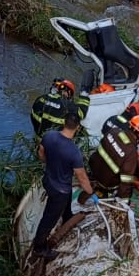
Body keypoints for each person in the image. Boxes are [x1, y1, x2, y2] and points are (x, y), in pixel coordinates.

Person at [32, 109, 96, 260]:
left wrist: (48, 162)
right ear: (78, 127)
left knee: (65, 198)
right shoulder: (74, 152)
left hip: (48, 180)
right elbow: (82, 178)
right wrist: (90, 192)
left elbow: (41, 153)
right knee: (49, 218)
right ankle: (39, 247)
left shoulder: (49, 136)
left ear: (63, 123)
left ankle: (67, 217)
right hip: (60, 190)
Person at [89, 114, 139, 198]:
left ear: (129, 124)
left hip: (92, 170)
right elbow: (126, 182)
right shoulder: (131, 153)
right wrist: (123, 202)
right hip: (106, 183)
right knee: (129, 182)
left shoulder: (113, 131)